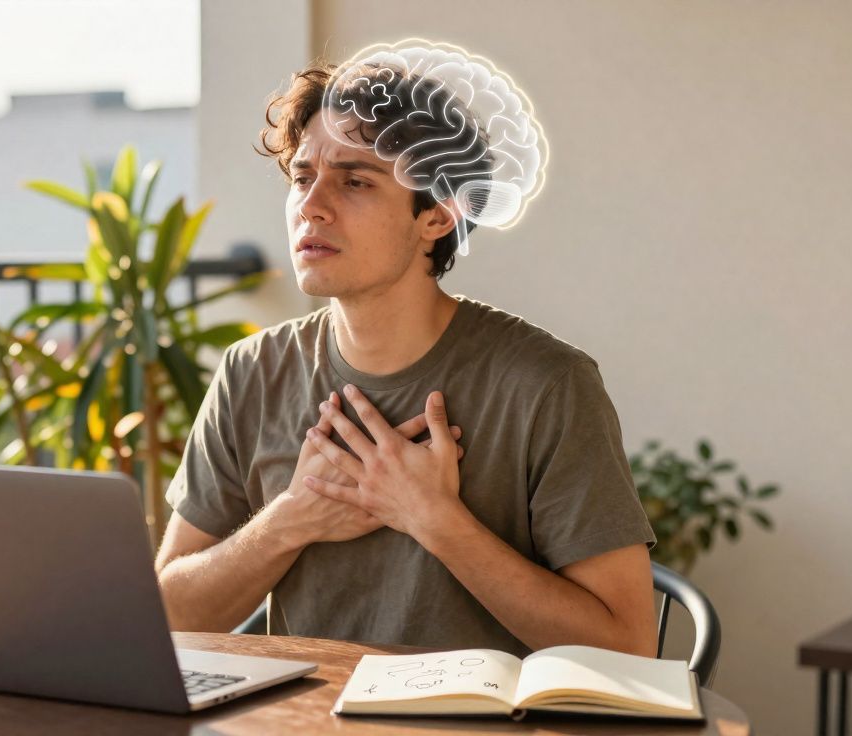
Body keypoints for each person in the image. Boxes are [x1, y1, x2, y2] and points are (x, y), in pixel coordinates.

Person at [154, 41, 658, 658]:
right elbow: (169, 614)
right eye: (302, 178)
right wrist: (291, 519)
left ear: (439, 216)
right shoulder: (252, 371)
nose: (310, 207)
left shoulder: (547, 384)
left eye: (355, 181)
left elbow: (628, 645)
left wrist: (434, 520)